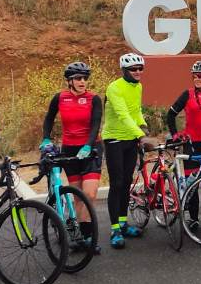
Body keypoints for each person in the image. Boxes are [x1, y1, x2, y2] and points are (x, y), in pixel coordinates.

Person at [40, 62, 103, 252]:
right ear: (70, 81)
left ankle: (89, 236)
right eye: (78, 78)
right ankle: (82, 237)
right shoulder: (60, 98)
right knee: (77, 196)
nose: (82, 82)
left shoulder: (94, 99)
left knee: (89, 194)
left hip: (91, 148)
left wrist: (88, 145)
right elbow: (49, 118)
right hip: (69, 149)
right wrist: (46, 138)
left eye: (85, 78)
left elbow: (95, 125)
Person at [168, 60, 201, 230]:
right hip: (191, 145)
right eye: (194, 76)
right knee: (192, 184)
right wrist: (175, 134)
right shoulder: (188, 94)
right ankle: (193, 218)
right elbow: (170, 114)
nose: (197, 79)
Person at [102, 52, 149, 249]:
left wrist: (143, 126)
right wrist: (141, 135)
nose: (137, 72)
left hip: (130, 139)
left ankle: (123, 223)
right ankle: (114, 229)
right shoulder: (114, 88)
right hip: (114, 139)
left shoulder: (138, 86)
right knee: (117, 183)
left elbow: (135, 111)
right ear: (124, 70)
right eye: (133, 69)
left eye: (140, 68)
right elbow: (122, 114)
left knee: (127, 182)